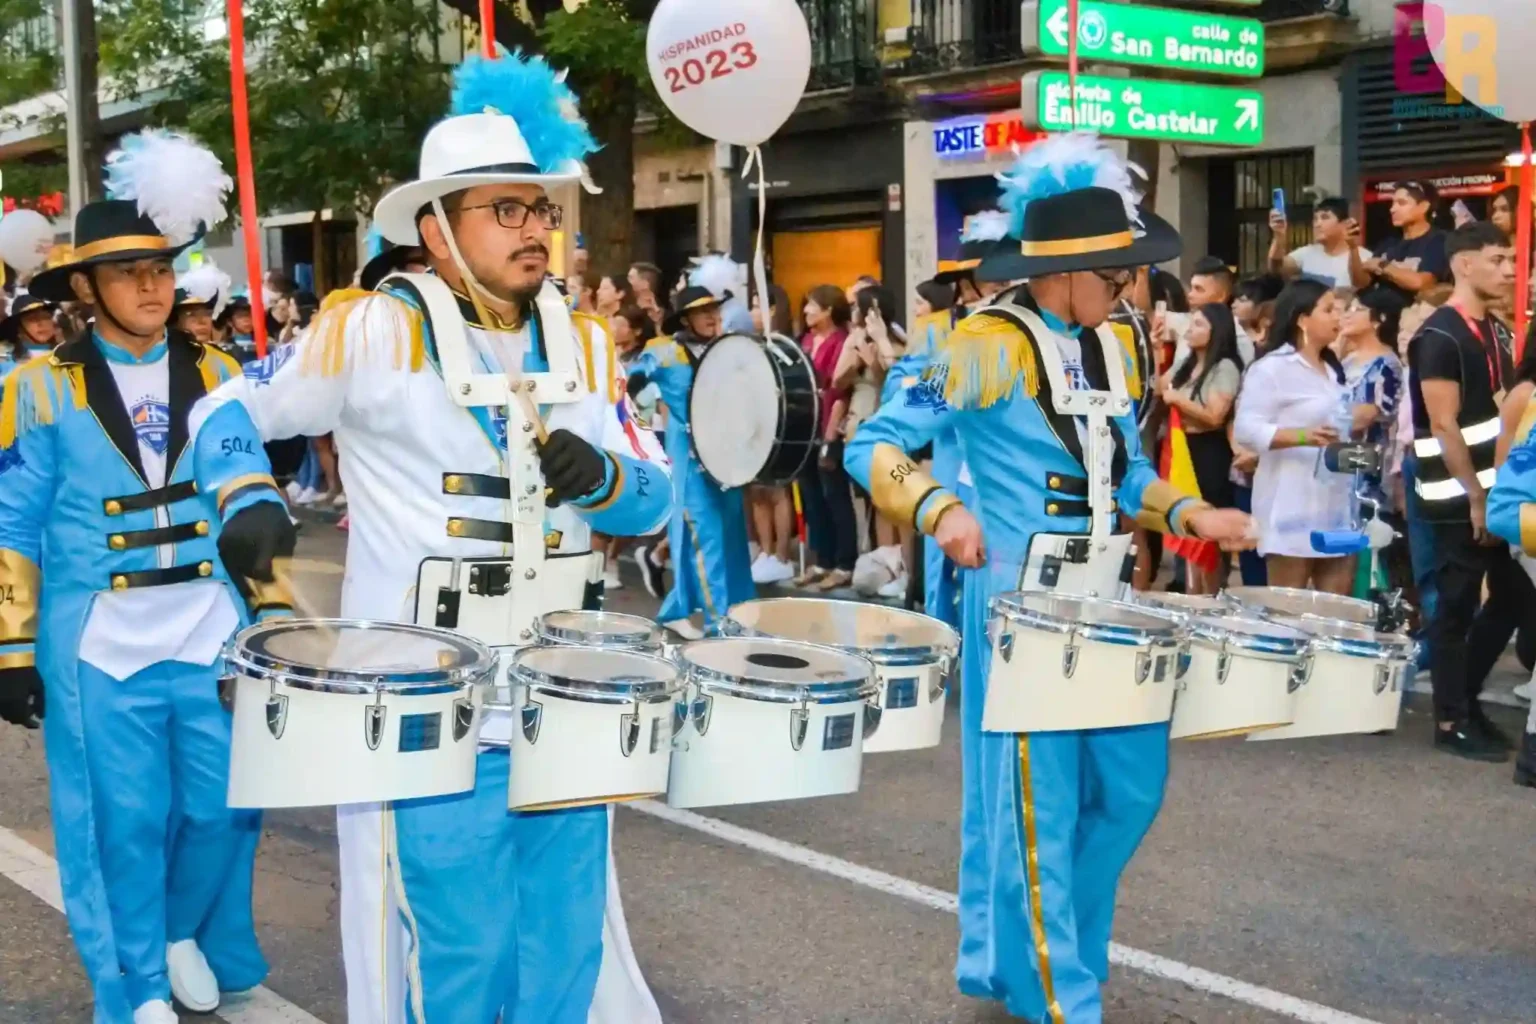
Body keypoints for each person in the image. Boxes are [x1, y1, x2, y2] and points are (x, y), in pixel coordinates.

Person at [190, 53, 674, 1022]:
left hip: (565, 701)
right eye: (508, 210)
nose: (536, 228)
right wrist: (247, 496)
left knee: (563, 952)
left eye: (540, 209)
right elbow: (226, 411)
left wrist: (609, 478)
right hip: (429, 710)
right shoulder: (368, 331)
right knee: (460, 959)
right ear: (437, 229)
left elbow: (657, 503)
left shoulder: (582, 342)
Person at [844, 133, 1252, 1024]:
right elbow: (871, 443)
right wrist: (941, 511)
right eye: (1116, 271)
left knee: (1128, 790)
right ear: (1064, 271)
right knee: (1036, 809)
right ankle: (1059, 996)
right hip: (1023, 606)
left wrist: (1190, 516)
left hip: (1109, 599)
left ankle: (1019, 953)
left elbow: (1124, 474)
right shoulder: (982, 344)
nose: (1129, 287)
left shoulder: (1121, 348)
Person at [0, 131, 276, 1024]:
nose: (153, 286)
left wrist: (267, 615)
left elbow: (247, 510)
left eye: (161, 267)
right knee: (117, 823)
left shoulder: (222, 372)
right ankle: (133, 989)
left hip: (208, 629)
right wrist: (8, 646)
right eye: (127, 272)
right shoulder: (39, 388)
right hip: (96, 642)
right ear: (84, 288)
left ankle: (179, 929)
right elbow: (10, 523)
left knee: (220, 808)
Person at [1407, 220, 1523, 762]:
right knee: (1454, 607)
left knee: (1515, 597)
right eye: (1498, 259)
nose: (1508, 269)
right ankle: (1451, 718)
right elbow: (1444, 424)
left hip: (1496, 494)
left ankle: (1465, 698)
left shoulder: (1498, 331)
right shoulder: (1440, 335)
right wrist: (1475, 494)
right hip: (1454, 496)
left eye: (1510, 260)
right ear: (1463, 263)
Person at [624, 285, 754, 634]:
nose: (713, 316)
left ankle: (728, 613)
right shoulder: (664, 353)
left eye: (715, 309)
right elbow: (631, 384)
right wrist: (639, 422)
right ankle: (718, 623)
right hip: (691, 458)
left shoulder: (728, 350)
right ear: (685, 318)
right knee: (704, 535)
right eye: (703, 311)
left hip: (727, 456)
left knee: (729, 537)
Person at [1233, 279, 1359, 593]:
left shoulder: (1334, 370)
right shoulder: (1271, 368)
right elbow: (1246, 429)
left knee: (1336, 615)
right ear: (1302, 319)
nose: (1337, 318)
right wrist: (1301, 436)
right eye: (1328, 310)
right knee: (1287, 612)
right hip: (1291, 503)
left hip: (1338, 503)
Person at [1160, 302, 1245, 593]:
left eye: (1198, 325)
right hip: (1184, 449)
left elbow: (1214, 415)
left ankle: (1212, 594)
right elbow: (1159, 388)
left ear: (1216, 331)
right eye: (1191, 323)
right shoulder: (1188, 364)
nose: (1190, 330)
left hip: (1210, 452)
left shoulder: (1225, 366)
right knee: (1187, 524)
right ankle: (1193, 595)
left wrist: (1178, 400)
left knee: (1208, 528)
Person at [795, 284, 859, 591]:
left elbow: (839, 391)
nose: (806, 311)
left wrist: (831, 435)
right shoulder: (805, 340)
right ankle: (822, 559)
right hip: (802, 429)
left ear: (829, 310)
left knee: (835, 496)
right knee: (811, 497)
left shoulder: (841, 341)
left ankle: (845, 562)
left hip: (828, 425)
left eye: (812, 305)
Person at [1366, 180, 1450, 302]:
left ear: (1423, 207)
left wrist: (1383, 266)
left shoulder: (1439, 240)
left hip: (1415, 315)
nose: (1392, 209)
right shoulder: (1389, 243)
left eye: (1401, 203)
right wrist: (1352, 247)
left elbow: (1421, 283)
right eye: (1393, 203)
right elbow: (1362, 282)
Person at [1268, 196, 1373, 289]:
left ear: (1345, 223)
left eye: (1325, 217)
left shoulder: (1365, 257)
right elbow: (1276, 269)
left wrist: (1353, 248)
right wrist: (1279, 236)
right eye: (1315, 219)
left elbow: (1361, 283)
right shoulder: (1307, 253)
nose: (1317, 224)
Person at [0, 292, 59, 377]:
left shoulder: (70, 354)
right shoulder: (3, 360)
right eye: (32, 319)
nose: (41, 323)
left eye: (46, 317)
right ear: (18, 328)